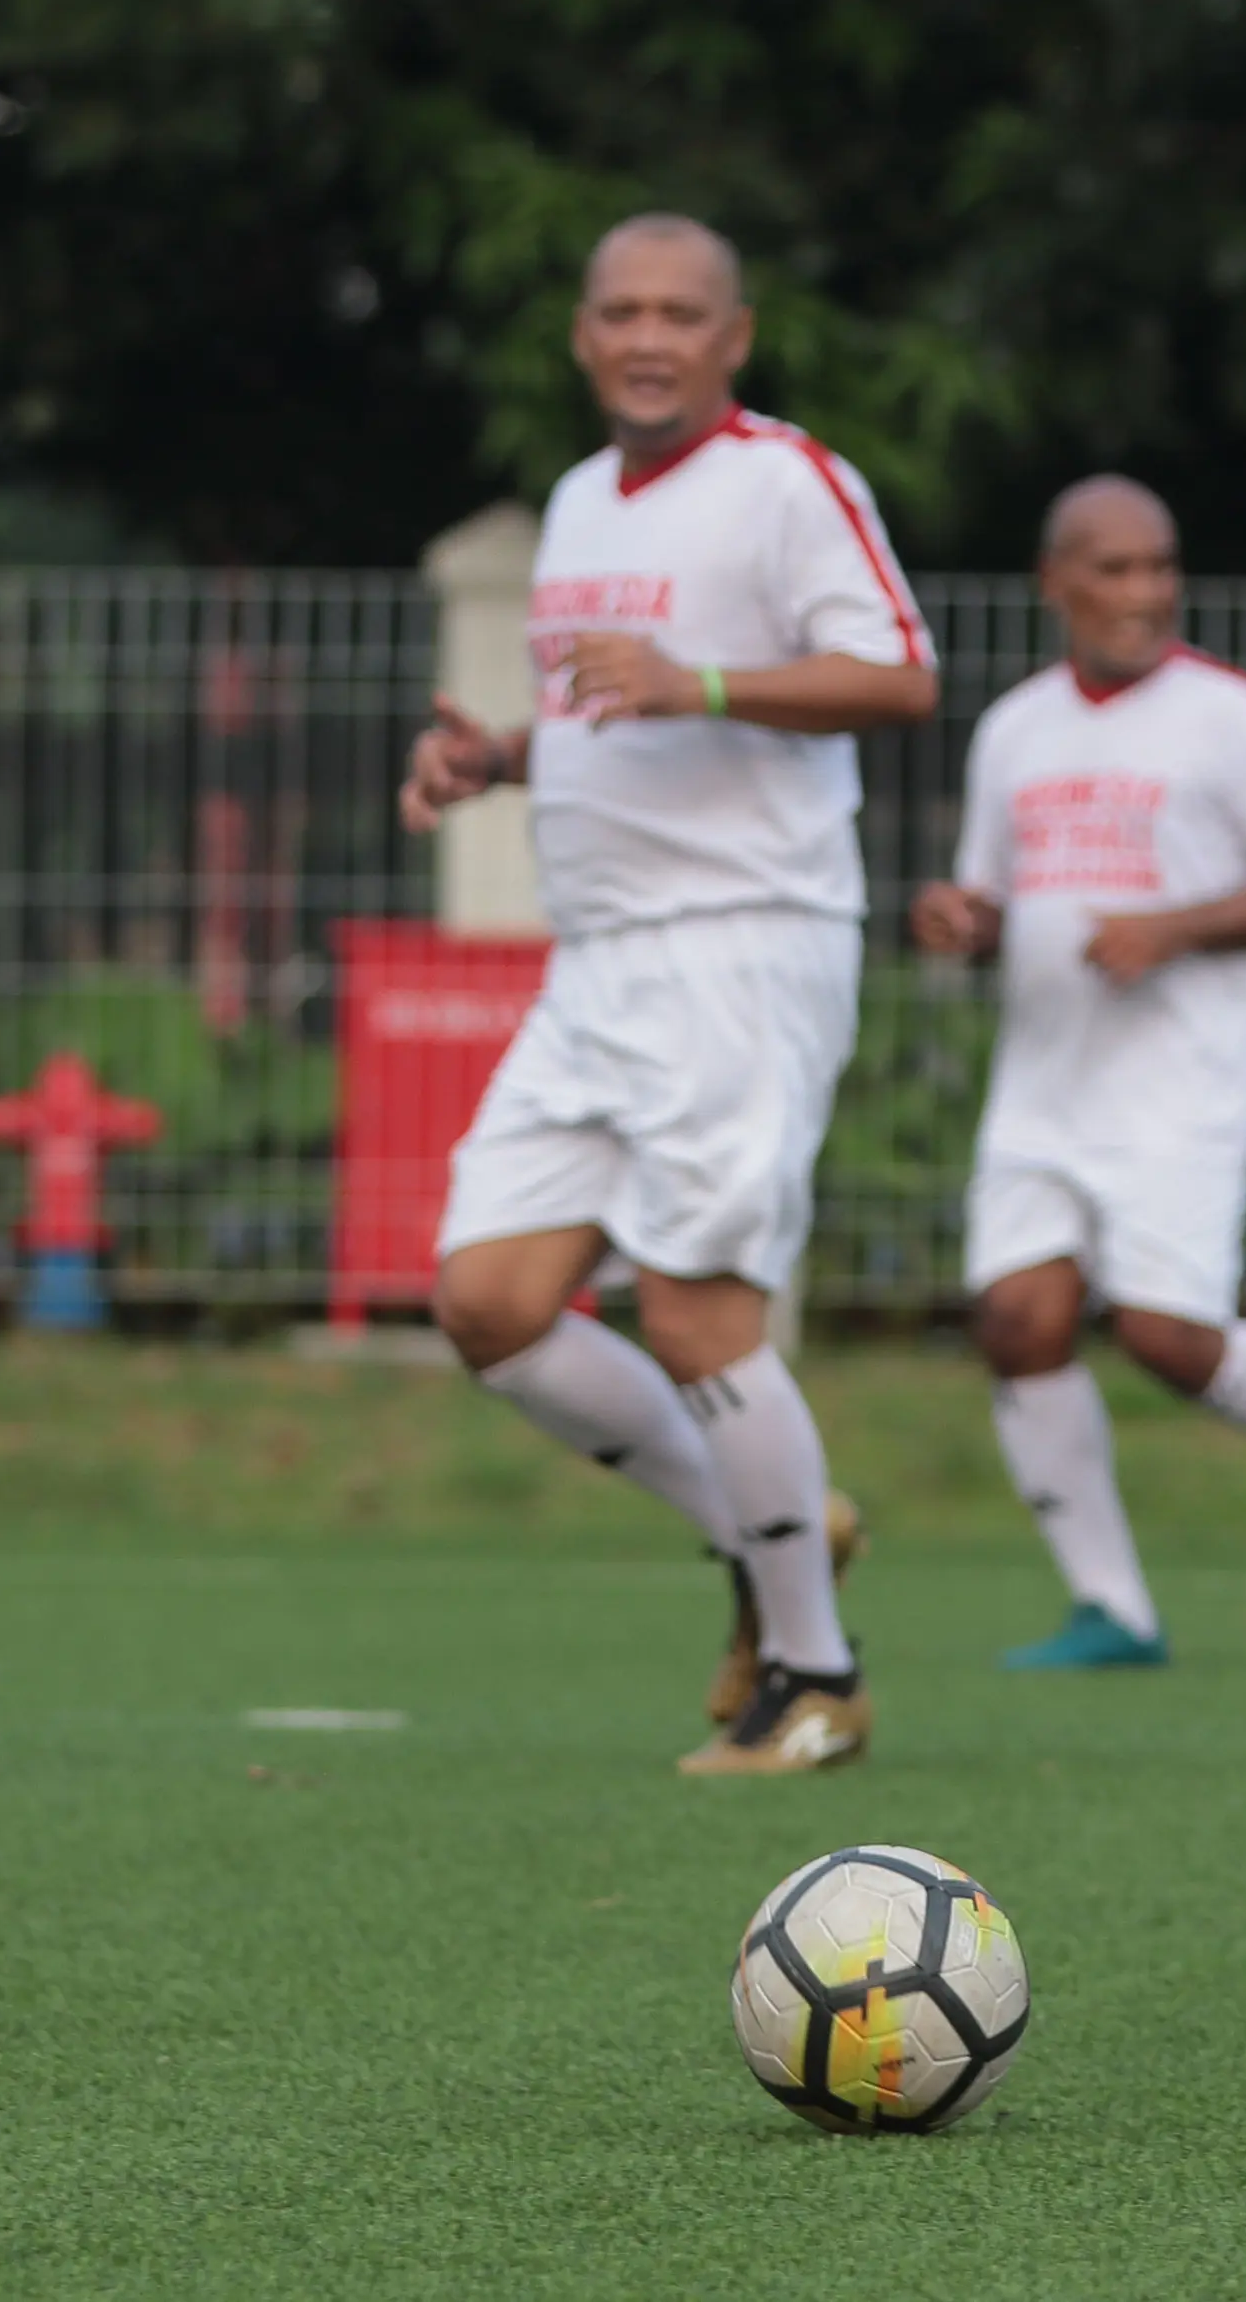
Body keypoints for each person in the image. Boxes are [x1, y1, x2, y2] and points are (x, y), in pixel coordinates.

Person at [400, 213, 934, 1776]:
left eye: (678, 313)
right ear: (583, 338)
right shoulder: (578, 499)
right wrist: (498, 755)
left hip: (741, 946)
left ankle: (815, 1677)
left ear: (734, 337)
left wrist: (699, 681)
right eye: (620, 310)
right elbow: (605, 702)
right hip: (601, 961)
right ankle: (788, 1531)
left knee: (697, 1308)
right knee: (489, 1298)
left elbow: (899, 674)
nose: (648, 336)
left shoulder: (787, 479)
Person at [910, 475, 1246, 1669]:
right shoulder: (1015, 727)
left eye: (1159, 565)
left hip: (1181, 1082)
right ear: (1055, 581)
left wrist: (1171, 928)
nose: (1143, 590)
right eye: (1114, 566)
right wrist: (962, 919)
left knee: (1164, 1332)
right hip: (1043, 1079)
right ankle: (1113, 1609)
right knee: (1016, 1316)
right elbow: (997, 894)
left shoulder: (1228, 716)